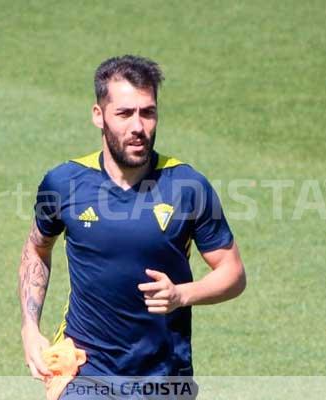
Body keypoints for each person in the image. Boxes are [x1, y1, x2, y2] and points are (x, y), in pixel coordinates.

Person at [18, 55, 246, 398]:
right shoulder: (64, 182)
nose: (138, 127)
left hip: (164, 375)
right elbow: (37, 248)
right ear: (99, 116)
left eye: (148, 112)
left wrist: (182, 294)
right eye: (124, 114)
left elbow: (232, 273)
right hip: (84, 370)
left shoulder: (186, 185)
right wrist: (30, 327)